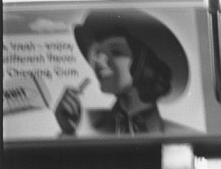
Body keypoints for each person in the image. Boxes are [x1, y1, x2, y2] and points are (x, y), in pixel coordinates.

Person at [54, 9, 193, 137]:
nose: (99, 61)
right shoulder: (82, 124)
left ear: (143, 62)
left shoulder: (185, 135)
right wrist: (68, 131)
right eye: (97, 54)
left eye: (115, 52)